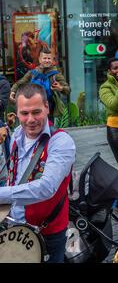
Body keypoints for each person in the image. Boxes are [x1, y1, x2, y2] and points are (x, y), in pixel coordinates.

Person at [0, 84, 76, 263]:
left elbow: (46, 188)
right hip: (15, 225)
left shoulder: (62, 142)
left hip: (48, 233)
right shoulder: (17, 133)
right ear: (16, 113)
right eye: (24, 113)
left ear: (47, 108)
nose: (30, 119)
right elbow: (14, 175)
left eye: (36, 112)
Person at [10, 47, 70, 120]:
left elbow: (67, 90)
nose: (47, 61)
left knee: (47, 128)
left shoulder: (56, 74)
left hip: (48, 107)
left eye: (49, 58)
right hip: (32, 106)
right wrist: (13, 91)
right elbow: (19, 83)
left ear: (52, 60)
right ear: (40, 60)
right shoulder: (32, 73)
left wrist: (61, 88)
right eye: (45, 58)